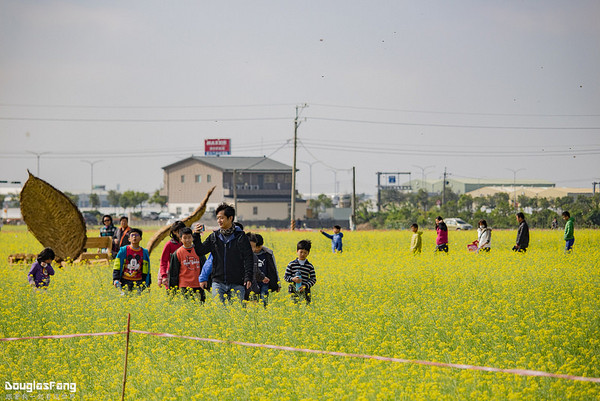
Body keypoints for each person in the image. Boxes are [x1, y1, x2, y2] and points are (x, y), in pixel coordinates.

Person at [195, 203, 253, 304]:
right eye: (217, 218)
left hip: (237, 282)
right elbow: (201, 251)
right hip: (218, 282)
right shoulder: (214, 237)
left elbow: (248, 258)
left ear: (230, 218)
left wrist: (248, 277)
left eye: (221, 218)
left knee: (237, 313)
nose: (219, 221)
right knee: (219, 313)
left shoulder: (240, 237)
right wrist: (196, 235)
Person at [168, 227, 207, 302]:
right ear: (180, 239)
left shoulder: (198, 251)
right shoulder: (177, 253)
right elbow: (173, 273)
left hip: (198, 284)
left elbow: (205, 267)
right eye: (185, 238)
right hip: (184, 285)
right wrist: (173, 291)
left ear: (192, 238)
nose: (187, 240)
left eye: (189, 237)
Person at [113, 228, 151, 294]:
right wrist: (116, 279)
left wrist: (148, 283)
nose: (134, 237)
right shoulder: (123, 250)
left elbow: (147, 268)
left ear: (141, 238)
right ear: (129, 239)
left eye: (136, 235)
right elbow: (117, 265)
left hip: (139, 281)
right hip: (125, 281)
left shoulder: (144, 252)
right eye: (132, 235)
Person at [246, 233, 280, 306]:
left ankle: (263, 312)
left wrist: (277, 283)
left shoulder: (267, 253)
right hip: (253, 282)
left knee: (264, 299)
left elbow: (274, 269)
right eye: (255, 247)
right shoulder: (249, 255)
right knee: (253, 301)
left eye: (259, 247)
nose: (257, 249)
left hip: (264, 282)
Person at [284, 240, 316, 304]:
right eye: (301, 252)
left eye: (305, 253)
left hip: (306, 291)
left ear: (308, 253)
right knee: (294, 307)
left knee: (306, 307)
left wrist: (305, 286)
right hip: (293, 290)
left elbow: (313, 279)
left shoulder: (309, 266)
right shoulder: (291, 264)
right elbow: (286, 277)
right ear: (297, 251)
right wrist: (293, 279)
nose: (302, 254)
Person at [158, 220, 186, 289]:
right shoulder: (169, 244)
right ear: (174, 232)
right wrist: (164, 276)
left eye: (182, 230)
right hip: (171, 274)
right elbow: (163, 261)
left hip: (185, 274)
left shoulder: (187, 243)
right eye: (178, 231)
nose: (180, 232)